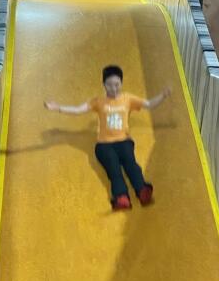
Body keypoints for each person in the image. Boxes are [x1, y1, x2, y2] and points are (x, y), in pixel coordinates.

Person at [44, 65, 171, 210]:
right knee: (114, 170)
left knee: (131, 165)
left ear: (121, 83)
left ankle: (142, 190)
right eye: (109, 85)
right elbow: (78, 110)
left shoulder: (128, 99)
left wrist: (163, 95)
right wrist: (58, 108)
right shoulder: (98, 101)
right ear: (104, 85)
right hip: (105, 145)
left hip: (124, 141)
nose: (114, 88)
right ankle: (121, 197)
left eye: (117, 84)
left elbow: (148, 104)